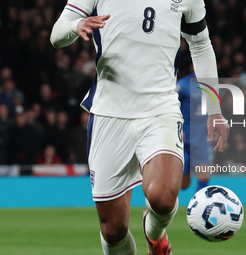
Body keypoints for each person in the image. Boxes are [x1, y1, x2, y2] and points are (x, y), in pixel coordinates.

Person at [50, 1, 229, 254]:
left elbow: (201, 45)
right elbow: (57, 36)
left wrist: (214, 109)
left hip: (160, 110)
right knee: (112, 231)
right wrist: (77, 25)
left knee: (164, 198)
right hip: (109, 115)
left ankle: (155, 233)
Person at [177, 73, 211, 191]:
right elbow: (172, 105)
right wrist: (178, 128)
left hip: (201, 138)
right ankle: (157, 205)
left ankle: (200, 206)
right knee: (183, 184)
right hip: (184, 137)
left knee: (204, 173)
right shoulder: (183, 84)